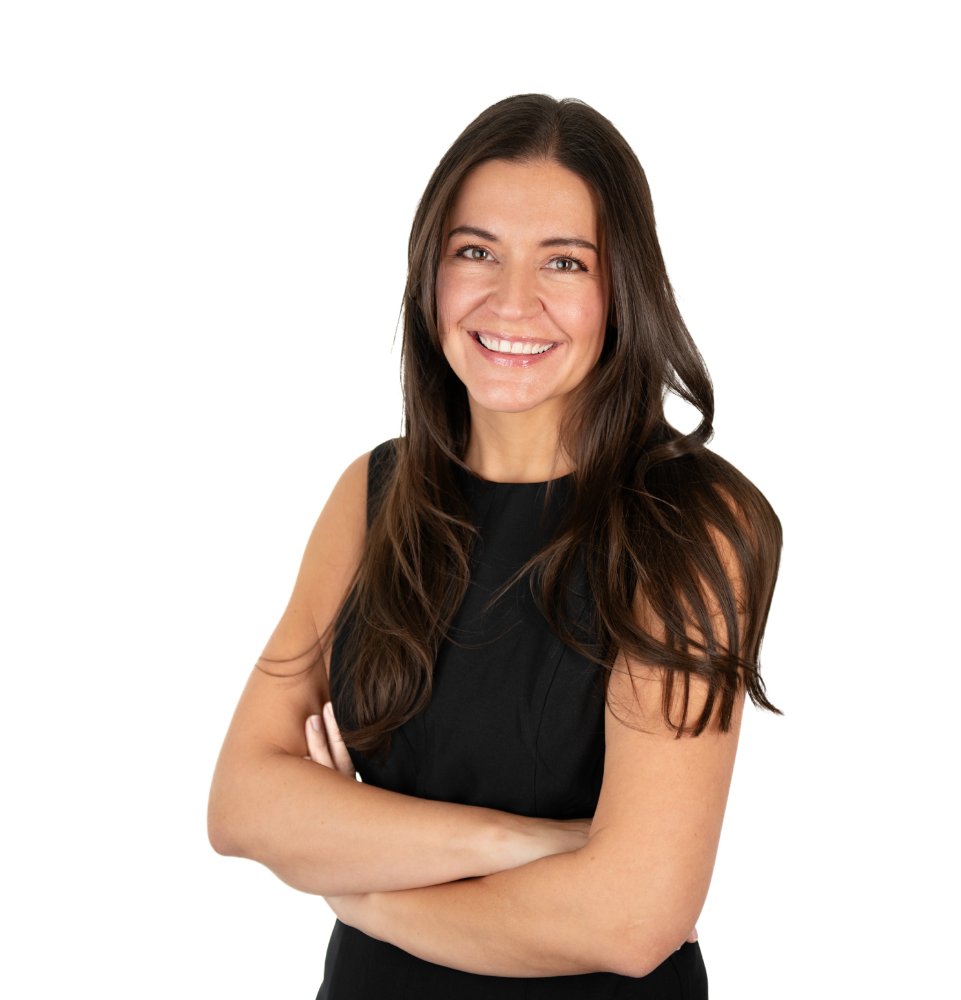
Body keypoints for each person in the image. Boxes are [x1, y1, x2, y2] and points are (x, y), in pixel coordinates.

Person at [206, 93, 785, 999]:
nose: (513, 301)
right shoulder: (372, 494)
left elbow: (633, 919)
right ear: (430, 276)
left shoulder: (689, 525)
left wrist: (356, 885)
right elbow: (240, 804)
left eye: (564, 261)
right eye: (476, 252)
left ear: (620, 290)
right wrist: (522, 843)